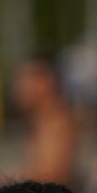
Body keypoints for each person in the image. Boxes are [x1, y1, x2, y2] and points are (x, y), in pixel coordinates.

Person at [13, 58, 79, 186]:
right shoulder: (41, 121)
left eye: (24, 82)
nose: (18, 90)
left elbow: (54, 176)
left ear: (44, 83)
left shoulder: (57, 122)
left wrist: (14, 179)